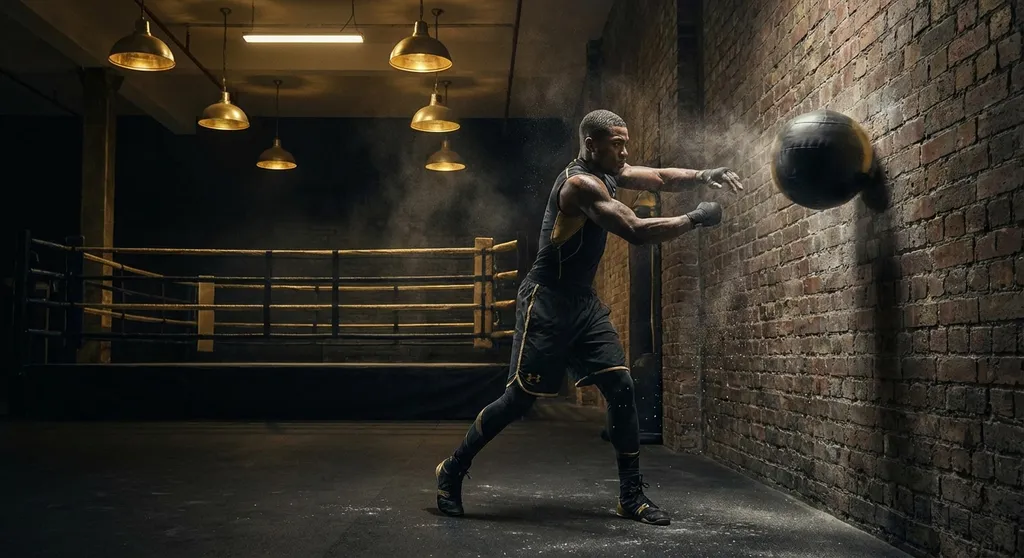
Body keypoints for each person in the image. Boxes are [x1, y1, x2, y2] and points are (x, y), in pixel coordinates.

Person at [435, 109, 744, 526]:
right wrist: (695, 218)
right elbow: (635, 229)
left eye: (625, 142)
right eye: (617, 143)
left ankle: (631, 497)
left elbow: (661, 178)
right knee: (517, 401)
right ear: (591, 145)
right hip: (546, 300)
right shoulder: (579, 185)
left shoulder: (610, 170)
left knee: (620, 385)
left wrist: (706, 173)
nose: (625, 151)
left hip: (582, 302)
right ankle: (452, 468)